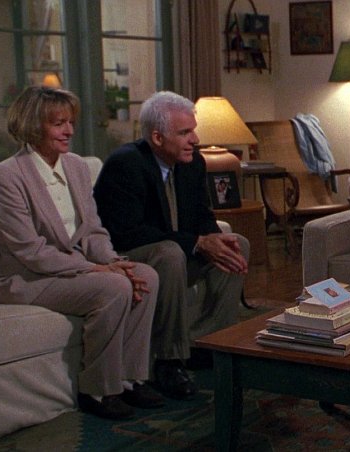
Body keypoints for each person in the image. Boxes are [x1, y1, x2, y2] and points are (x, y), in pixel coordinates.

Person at [0, 86, 162, 420]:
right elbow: (31, 251)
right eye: (58, 124)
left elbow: (93, 230)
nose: (69, 131)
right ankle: (97, 390)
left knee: (146, 276)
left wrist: (114, 261)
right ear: (33, 126)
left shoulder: (77, 167)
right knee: (114, 286)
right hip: (28, 277)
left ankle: (130, 378)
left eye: (70, 122)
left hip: (74, 268)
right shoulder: (6, 177)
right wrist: (97, 270)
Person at [94, 91, 249, 400]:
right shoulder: (125, 164)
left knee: (237, 244)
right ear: (157, 137)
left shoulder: (193, 163)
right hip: (129, 257)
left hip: (176, 254)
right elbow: (127, 233)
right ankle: (168, 361)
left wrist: (214, 239)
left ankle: (206, 343)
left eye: (193, 130)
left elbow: (202, 216)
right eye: (185, 132)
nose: (195, 139)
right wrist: (197, 242)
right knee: (170, 253)